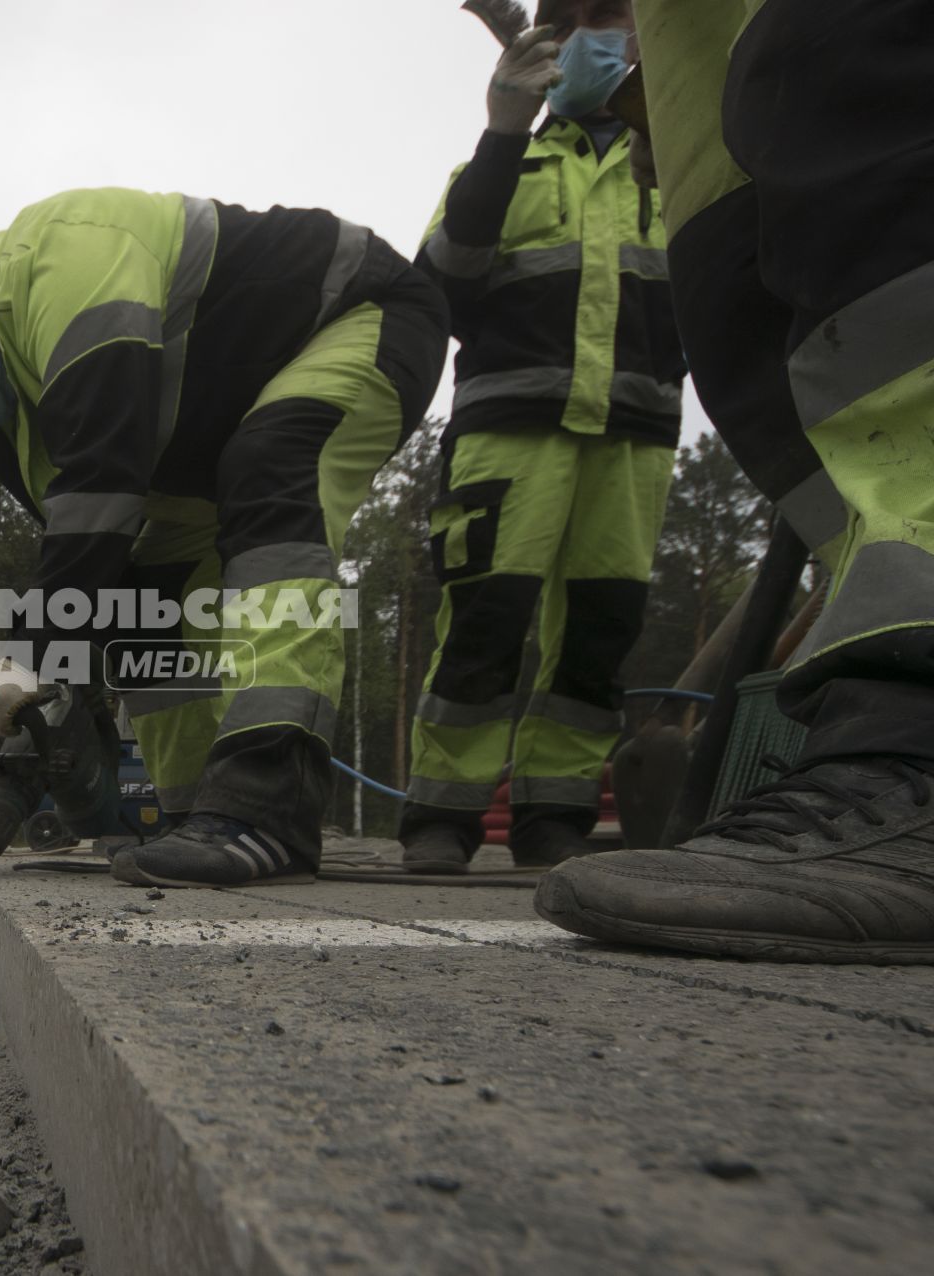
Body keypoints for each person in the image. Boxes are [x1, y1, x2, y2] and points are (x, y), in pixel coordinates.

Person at [0, 187, 448, 887]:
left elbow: (102, 486)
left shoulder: (63, 261)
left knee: (274, 468)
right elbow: (95, 568)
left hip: (359, 315)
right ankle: (199, 812)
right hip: (225, 427)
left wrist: (19, 658)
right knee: (144, 595)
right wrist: (41, 698)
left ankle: (267, 806)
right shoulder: (15, 430)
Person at [535, 0, 934, 962]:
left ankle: (913, 730)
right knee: (748, 268)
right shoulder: (516, 165)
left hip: (626, 427)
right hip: (698, 64)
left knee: (875, 148)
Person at [399, 0, 686, 874]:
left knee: (601, 630)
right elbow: (439, 293)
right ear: (547, 47)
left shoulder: (674, 173)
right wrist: (502, 133)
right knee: (486, 622)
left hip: (635, 435)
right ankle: (441, 818)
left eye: (618, 20)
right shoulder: (498, 168)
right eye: (579, 22)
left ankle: (555, 814)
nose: (603, 39)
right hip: (509, 436)